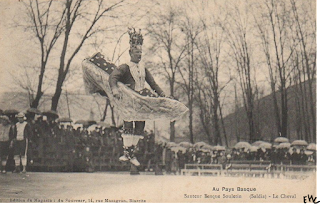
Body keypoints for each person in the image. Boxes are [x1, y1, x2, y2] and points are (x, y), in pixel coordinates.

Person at [109, 28, 167, 166]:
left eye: (140, 52)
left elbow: (152, 83)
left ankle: (131, 153)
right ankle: (126, 153)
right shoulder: (124, 67)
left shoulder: (143, 68)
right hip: (129, 100)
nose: (139, 55)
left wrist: (162, 94)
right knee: (128, 125)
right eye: (136, 52)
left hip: (140, 101)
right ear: (130, 52)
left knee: (140, 127)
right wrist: (115, 89)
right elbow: (113, 77)